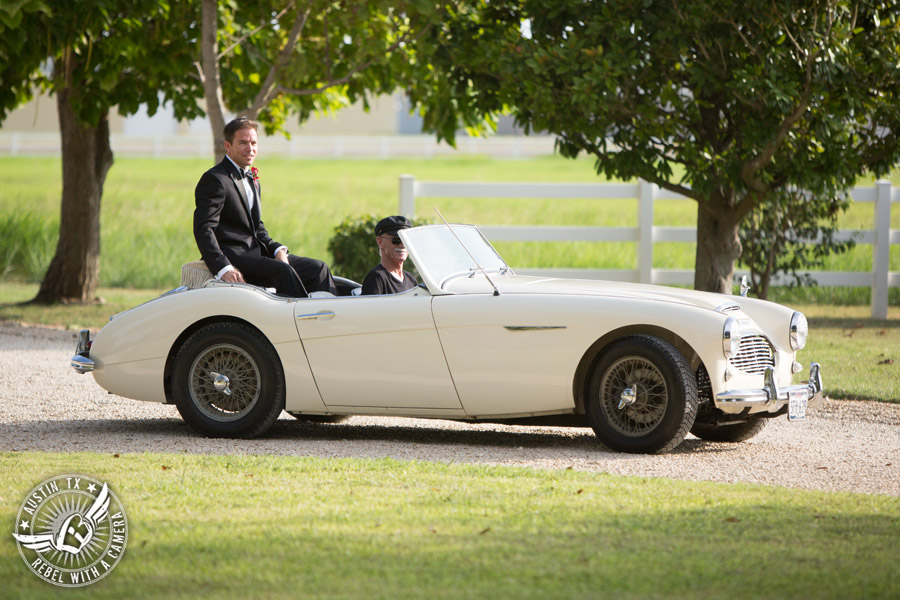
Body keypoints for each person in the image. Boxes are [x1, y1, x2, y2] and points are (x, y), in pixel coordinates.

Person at [194, 117, 337, 297]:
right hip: (236, 257)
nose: (250, 148)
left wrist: (277, 250)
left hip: (258, 253)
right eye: (243, 142)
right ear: (228, 146)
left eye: (254, 142)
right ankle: (298, 322)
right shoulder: (215, 179)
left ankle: (327, 320)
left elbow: (257, 227)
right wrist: (223, 268)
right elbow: (204, 229)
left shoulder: (252, 178)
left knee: (318, 268)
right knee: (283, 272)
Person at [361, 216, 419, 295]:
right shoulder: (377, 278)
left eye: (406, 240)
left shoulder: (411, 279)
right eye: (396, 240)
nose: (402, 245)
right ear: (380, 242)